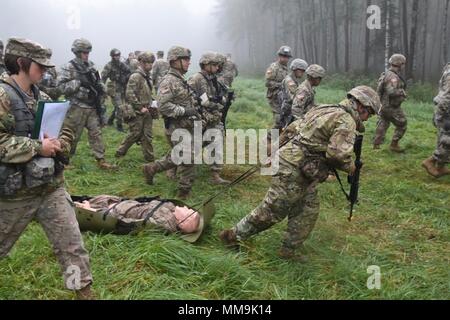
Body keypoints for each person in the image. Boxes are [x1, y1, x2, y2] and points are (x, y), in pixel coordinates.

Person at [220, 86, 381, 263]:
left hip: (302, 167)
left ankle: (288, 250)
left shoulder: (325, 108)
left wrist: (275, 149)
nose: (367, 119)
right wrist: (351, 168)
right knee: (273, 210)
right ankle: (233, 235)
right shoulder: (346, 120)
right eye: (369, 114)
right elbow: (337, 155)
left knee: (307, 210)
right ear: (362, 106)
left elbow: (292, 128)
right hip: (293, 167)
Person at [0, 38, 93, 299]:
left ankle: (84, 294)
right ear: (21, 63)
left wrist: (61, 141)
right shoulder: (3, 96)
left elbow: (64, 129)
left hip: (49, 189)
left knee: (72, 247)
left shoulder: (43, 97)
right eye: (40, 66)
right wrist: (37, 147)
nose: (44, 71)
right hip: (13, 195)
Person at [143, 46, 201, 200]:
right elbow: (163, 105)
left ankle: (152, 168)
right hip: (177, 127)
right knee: (188, 157)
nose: (189, 62)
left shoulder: (180, 79)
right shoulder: (168, 81)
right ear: (175, 61)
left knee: (178, 156)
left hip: (186, 125)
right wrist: (184, 111)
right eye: (185, 59)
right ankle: (184, 192)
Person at [58, 38, 116, 170]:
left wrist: (102, 91)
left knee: (96, 133)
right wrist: (78, 83)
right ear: (77, 52)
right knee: (71, 135)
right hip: (76, 107)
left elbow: (98, 81)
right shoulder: (69, 67)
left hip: (91, 106)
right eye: (83, 52)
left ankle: (101, 160)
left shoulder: (91, 65)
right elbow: (60, 87)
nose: (86, 54)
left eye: (88, 52)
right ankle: (64, 161)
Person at [188, 52, 230, 185]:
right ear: (206, 64)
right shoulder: (196, 79)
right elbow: (189, 99)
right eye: (214, 65)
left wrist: (222, 100)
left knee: (217, 142)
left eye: (218, 65)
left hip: (213, 119)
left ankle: (215, 174)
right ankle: (172, 166)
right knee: (191, 146)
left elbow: (217, 97)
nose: (217, 68)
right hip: (200, 118)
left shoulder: (213, 80)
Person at [74, 195, 202, 237]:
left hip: (108, 211)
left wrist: (92, 211)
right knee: (81, 197)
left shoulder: (162, 223)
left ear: (182, 221)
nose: (186, 207)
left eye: (188, 211)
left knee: (72, 206)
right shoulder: (172, 208)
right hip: (119, 201)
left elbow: (126, 224)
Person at [115, 52, 157, 162]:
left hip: (147, 110)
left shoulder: (148, 76)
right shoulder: (136, 76)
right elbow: (129, 94)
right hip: (138, 111)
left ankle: (150, 158)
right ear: (141, 63)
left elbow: (146, 92)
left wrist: (152, 102)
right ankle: (120, 152)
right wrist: (139, 107)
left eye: (152, 63)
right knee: (134, 134)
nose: (150, 65)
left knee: (147, 135)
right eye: (148, 62)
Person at [374, 54, 408, 152]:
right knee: (403, 124)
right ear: (399, 64)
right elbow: (391, 91)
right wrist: (402, 92)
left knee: (383, 123)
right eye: (403, 64)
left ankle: (376, 145)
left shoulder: (386, 73)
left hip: (383, 105)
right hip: (391, 106)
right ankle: (394, 144)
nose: (404, 66)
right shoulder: (393, 77)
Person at [422, 63, 450, 178]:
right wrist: (443, 115)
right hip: (446, 111)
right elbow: (447, 96)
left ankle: (441, 166)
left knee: (443, 138)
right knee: (447, 141)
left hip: (445, 110)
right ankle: (431, 161)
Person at [102, 48, 131, 132]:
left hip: (122, 87)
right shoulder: (109, 65)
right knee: (119, 107)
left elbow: (129, 71)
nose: (117, 57)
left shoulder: (122, 64)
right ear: (112, 56)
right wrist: (102, 90)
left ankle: (110, 120)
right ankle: (119, 126)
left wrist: (125, 77)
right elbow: (103, 78)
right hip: (114, 89)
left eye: (118, 55)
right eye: (115, 55)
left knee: (119, 107)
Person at [265, 46, 292, 131]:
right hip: (274, 97)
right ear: (279, 56)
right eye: (283, 56)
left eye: (287, 57)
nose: (285, 59)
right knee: (278, 119)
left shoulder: (287, 69)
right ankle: (270, 140)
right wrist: (281, 85)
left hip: (284, 98)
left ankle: (279, 140)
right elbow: (268, 83)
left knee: (285, 119)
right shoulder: (273, 67)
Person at [279, 58, 308, 127]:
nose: (303, 73)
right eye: (301, 70)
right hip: (288, 110)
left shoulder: (294, 80)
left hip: (289, 109)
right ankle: (271, 137)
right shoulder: (290, 81)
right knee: (282, 130)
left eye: (304, 71)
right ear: (295, 69)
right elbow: (294, 98)